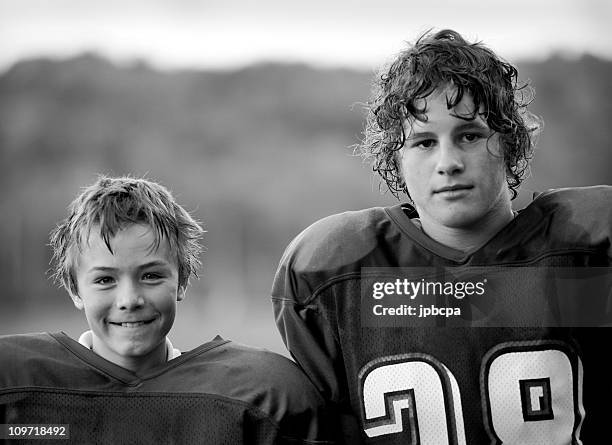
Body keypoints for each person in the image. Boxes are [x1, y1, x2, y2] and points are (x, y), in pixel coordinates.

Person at [272, 29, 612, 443]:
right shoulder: (339, 275)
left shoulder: (583, 251)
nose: (447, 162)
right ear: (394, 160)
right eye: (423, 142)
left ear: (510, 141)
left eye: (469, 136)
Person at [0, 175, 336, 444]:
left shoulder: (260, 394)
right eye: (105, 280)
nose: (129, 299)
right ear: (75, 289)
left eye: (151, 275)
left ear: (182, 281)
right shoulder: (15, 383)